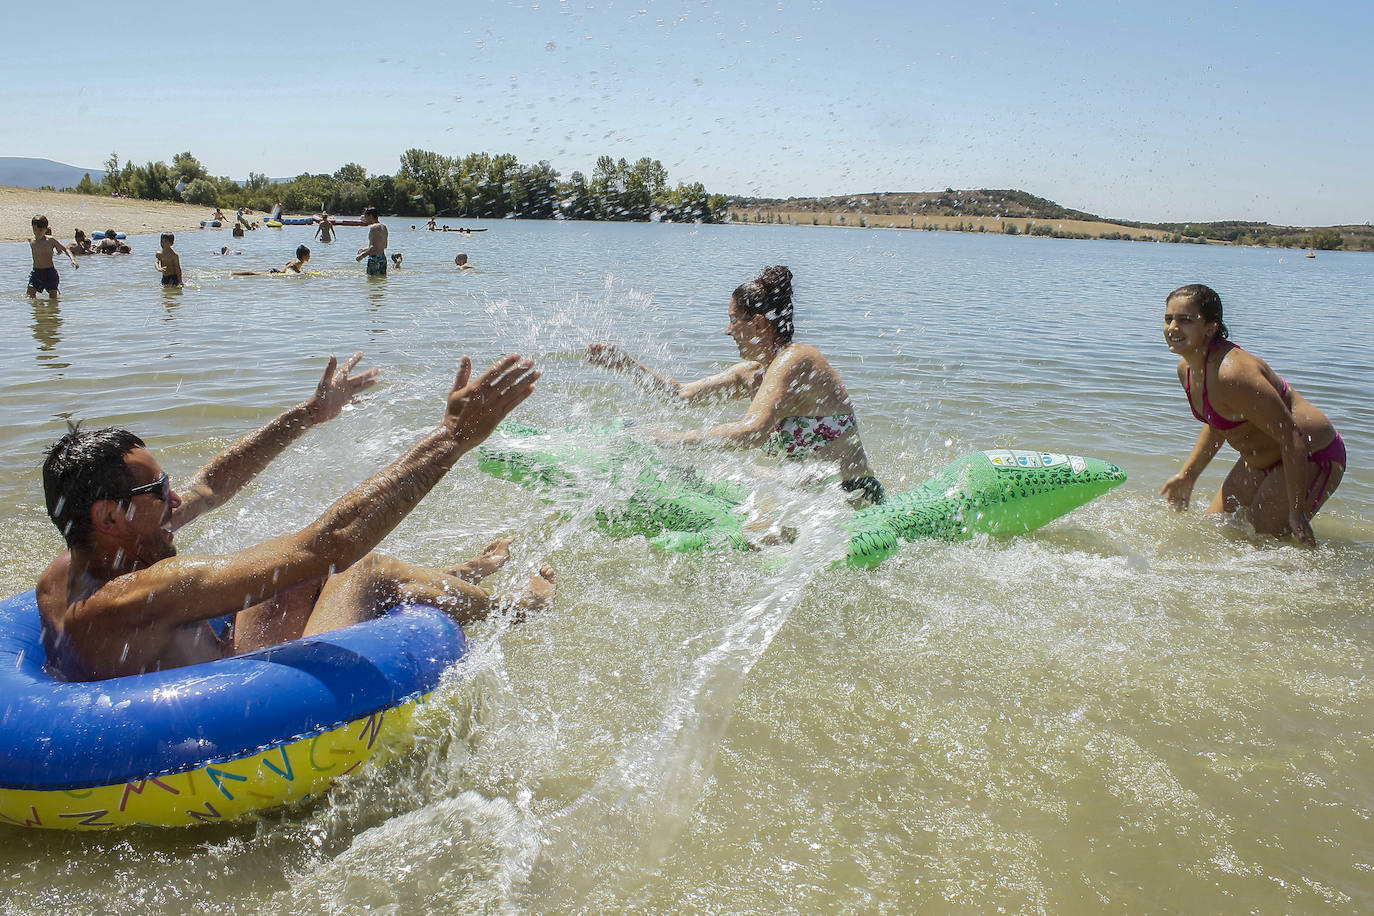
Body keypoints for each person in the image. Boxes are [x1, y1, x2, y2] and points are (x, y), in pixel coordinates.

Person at [36, 351, 554, 682]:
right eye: (159, 489)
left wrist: (308, 414)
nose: (175, 500)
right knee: (361, 568)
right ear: (108, 515)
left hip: (224, 670)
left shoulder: (74, 568)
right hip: (236, 714)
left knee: (285, 576)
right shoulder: (140, 593)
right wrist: (453, 440)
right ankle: (515, 607)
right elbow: (330, 545)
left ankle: (460, 574)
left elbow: (211, 486)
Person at [587, 265, 884, 505]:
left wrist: (666, 438)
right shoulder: (754, 373)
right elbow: (681, 394)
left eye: (732, 320)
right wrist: (626, 365)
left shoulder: (799, 359)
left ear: (758, 324)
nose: (727, 331)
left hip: (852, 497)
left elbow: (752, 431)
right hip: (808, 499)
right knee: (700, 478)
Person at [1160, 283, 1345, 547]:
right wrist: (1188, 475)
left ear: (1211, 328)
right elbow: (1218, 424)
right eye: (1169, 319)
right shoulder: (1186, 370)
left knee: (1264, 539)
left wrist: (1296, 511)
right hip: (1259, 459)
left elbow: (1293, 437)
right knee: (1216, 529)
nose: (1173, 328)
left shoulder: (1233, 373)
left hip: (1311, 453)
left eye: (1185, 320)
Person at [27, 215, 78, 298]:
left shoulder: (50, 240)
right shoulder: (31, 240)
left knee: (53, 296)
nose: (37, 232)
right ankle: (37, 310)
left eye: (40, 230)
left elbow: (66, 249)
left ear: (45, 229)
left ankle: (50, 310)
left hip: (49, 272)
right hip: (36, 272)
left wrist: (73, 260)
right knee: (31, 292)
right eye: (34, 229)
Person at [231, 244, 311, 276]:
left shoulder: (295, 260)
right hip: (275, 272)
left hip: (275, 270)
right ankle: (234, 273)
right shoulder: (299, 261)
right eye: (308, 255)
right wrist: (300, 272)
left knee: (255, 274)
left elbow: (288, 263)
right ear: (304, 256)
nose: (309, 257)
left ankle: (235, 273)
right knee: (254, 274)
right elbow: (292, 266)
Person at [356, 206, 389, 275]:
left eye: (365, 217)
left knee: (371, 282)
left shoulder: (374, 228)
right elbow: (384, 246)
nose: (365, 219)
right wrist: (365, 249)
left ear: (370, 216)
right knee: (381, 283)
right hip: (382, 258)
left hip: (374, 259)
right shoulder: (384, 227)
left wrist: (362, 256)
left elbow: (373, 247)